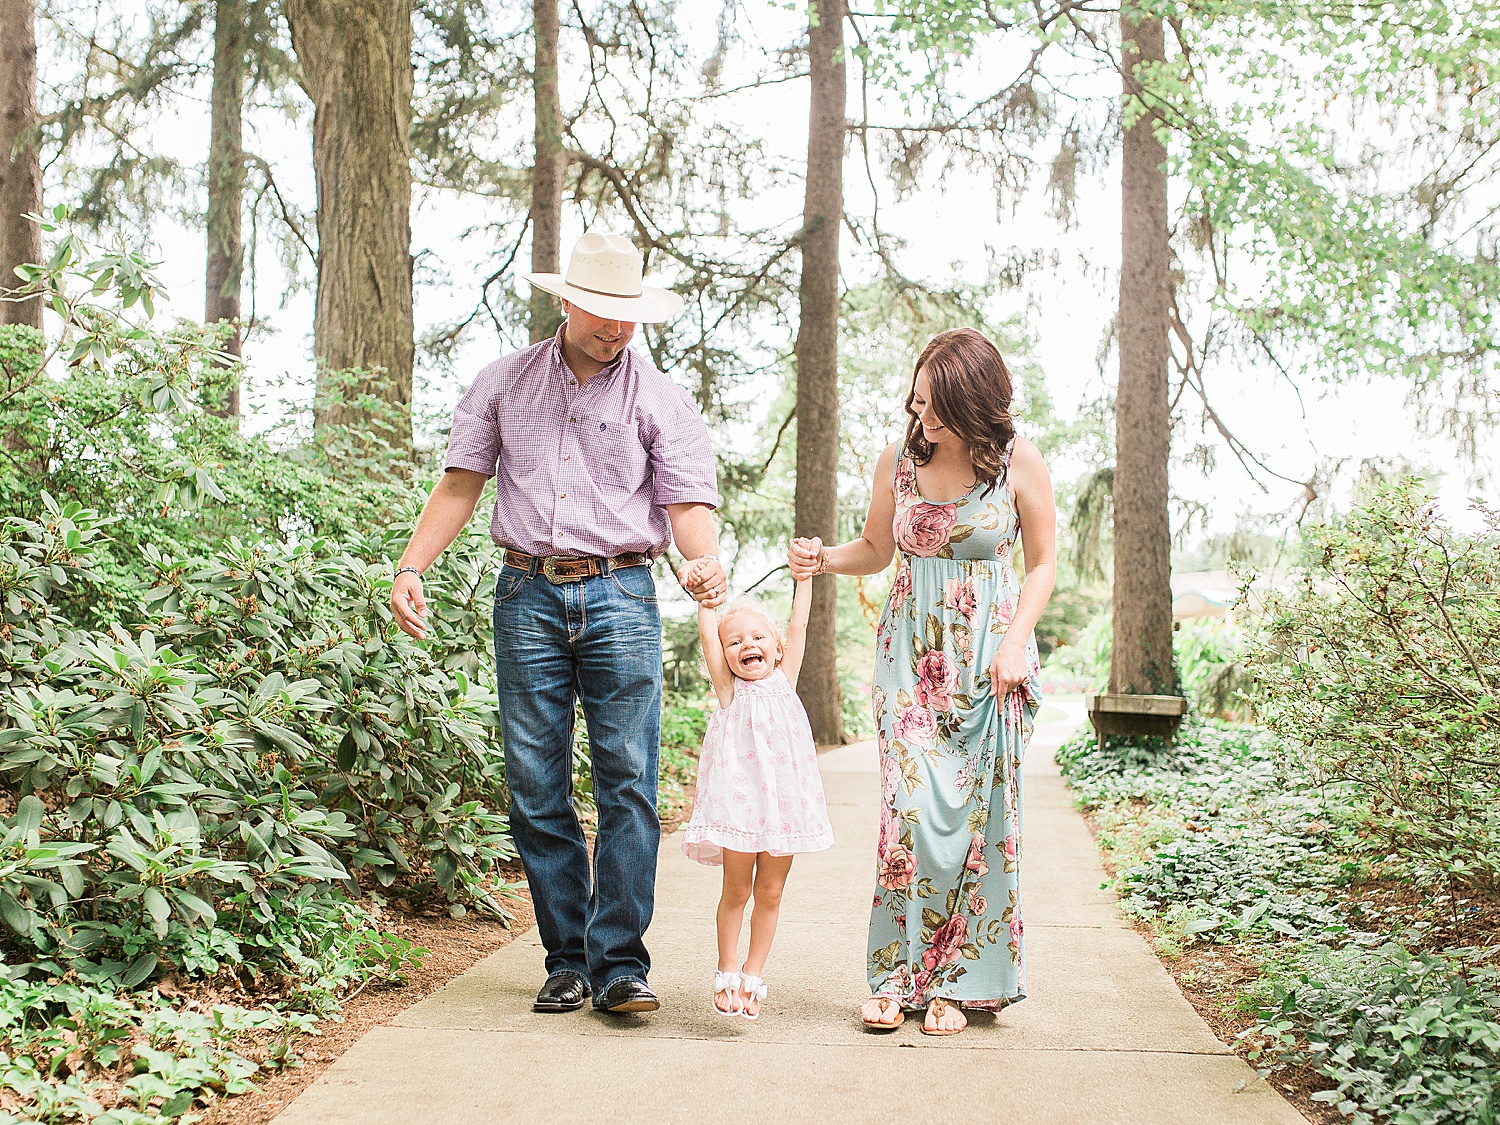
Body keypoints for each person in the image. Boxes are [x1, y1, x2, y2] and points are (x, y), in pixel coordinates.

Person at [391, 232, 728, 1016]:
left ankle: (619, 963)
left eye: (630, 316)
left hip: (623, 595)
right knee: (536, 786)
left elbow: (689, 510)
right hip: (526, 595)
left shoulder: (660, 398)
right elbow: (459, 487)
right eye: (605, 313)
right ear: (566, 302)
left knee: (629, 783)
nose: (619, 328)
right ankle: (565, 958)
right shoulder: (502, 384)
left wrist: (704, 566)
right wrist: (411, 566)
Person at [788, 327, 1056, 1036]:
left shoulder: (1018, 464)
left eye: (939, 409)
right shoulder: (899, 461)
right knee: (907, 816)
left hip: (989, 665)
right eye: (918, 403)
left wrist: (1016, 641)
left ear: (977, 406)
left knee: (978, 827)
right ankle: (896, 974)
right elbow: (878, 549)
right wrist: (822, 559)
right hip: (908, 662)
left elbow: (1042, 564)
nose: (925, 420)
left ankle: (961, 981)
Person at [678, 571, 834, 1019]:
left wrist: (805, 579)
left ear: (777, 646)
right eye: (735, 642)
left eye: (758, 637)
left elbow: (799, 623)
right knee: (736, 890)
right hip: (740, 810)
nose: (747, 645)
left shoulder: (786, 679)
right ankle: (726, 970)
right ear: (725, 657)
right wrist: (706, 602)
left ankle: (752, 973)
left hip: (784, 811)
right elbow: (708, 638)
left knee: (770, 892)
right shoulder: (729, 692)